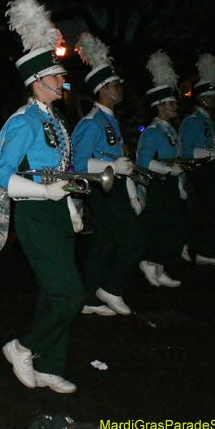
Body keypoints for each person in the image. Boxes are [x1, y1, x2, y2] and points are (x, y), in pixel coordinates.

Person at [0, 0, 83, 394]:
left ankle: (49, 366)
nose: (64, 82)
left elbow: (61, 169)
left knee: (53, 292)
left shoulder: (56, 118)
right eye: (57, 76)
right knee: (70, 294)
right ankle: (23, 347)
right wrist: (46, 193)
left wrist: (70, 199)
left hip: (58, 212)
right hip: (35, 214)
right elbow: (1, 174)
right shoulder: (24, 120)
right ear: (39, 80)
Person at [72, 32, 145, 316]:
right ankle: (111, 288)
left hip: (115, 188)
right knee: (134, 241)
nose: (120, 89)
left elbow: (120, 161)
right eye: (115, 85)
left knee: (102, 244)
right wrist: (113, 169)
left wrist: (133, 194)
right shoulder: (92, 122)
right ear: (103, 89)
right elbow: (77, 164)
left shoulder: (110, 121)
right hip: (102, 190)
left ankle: (89, 296)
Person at [136, 51, 185, 288]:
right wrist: (167, 170)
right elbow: (143, 161)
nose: (175, 106)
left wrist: (180, 180)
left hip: (171, 183)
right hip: (158, 185)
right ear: (159, 107)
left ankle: (160, 267)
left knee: (172, 227)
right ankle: (150, 263)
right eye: (171, 103)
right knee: (161, 226)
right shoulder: (153, 131)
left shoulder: (169, 130)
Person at [178, 53, 215, 266]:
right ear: (201, 99)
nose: (214, 100)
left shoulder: (208, 121)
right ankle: (203, 250)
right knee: (209, 211)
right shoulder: (192, 121)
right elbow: (187, 151)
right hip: (199, 171)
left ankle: (204, 249)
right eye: (210, 96)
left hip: (209, 170)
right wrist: (212, 154)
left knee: (214, 210)